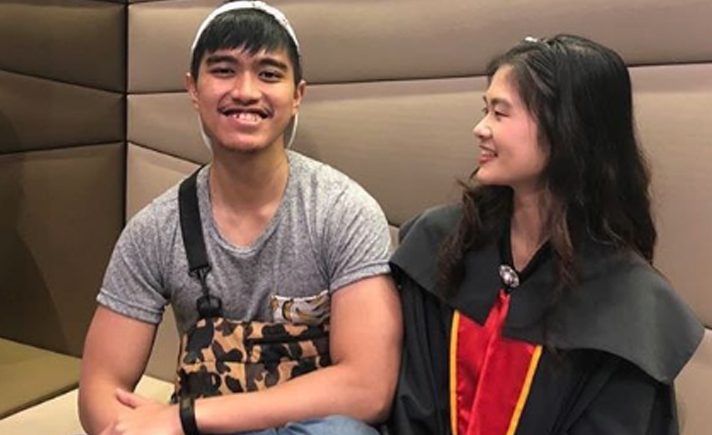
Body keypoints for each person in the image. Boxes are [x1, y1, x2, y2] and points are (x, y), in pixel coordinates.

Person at [78, 2, 401, 434]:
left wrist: (182, 418)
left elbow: (369, 387)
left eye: (268, 74)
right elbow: (99, 388)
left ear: (297, 95)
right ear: (193, 89)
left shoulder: (343, 212)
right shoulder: (155, 230)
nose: (246, 91)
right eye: (224, 70)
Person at [386, 35, 702, 435]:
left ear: (566, 129)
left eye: (500, 113)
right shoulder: (443, 244)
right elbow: (409, 405)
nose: (480, 128)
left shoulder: (629, 304)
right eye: (485, 110)